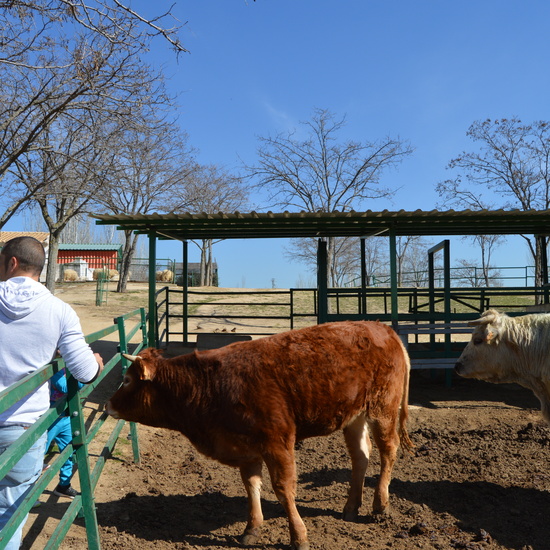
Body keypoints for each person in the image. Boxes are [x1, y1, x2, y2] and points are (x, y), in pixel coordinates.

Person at [0, 236, 103, 550]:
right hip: (22, 429)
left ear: (12, 262)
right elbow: (85, 372)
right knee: (9, 514)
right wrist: (96, 363)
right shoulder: (60, 311)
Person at [46, 367, 84, 499]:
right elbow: (65, 387)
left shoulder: (68, 366)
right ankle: (26, 495)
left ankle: (64, 485)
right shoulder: (54, 366)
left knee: (69, 451)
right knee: (37, 456)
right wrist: (83, 378)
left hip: (65, 417)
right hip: (50, 419)